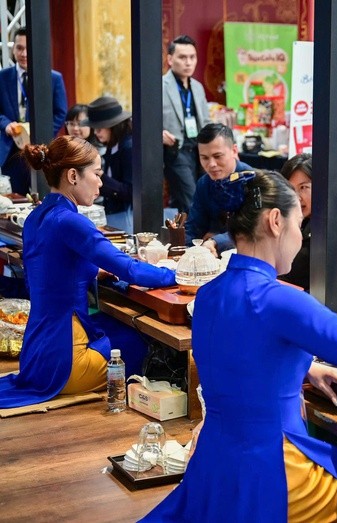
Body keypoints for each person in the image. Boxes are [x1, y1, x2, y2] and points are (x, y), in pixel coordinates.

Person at [142, 169, 337, 522]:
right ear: (274, 221)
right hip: (273, 466)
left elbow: (241, 355)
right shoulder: (279, 299)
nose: (301, 238)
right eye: (299, 225)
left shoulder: (209, 294)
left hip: (215, 462)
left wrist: (304, 366)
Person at [0, 136, 175, 408]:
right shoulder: (71, 221)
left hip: (35, 353)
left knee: (118, 328)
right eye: (97, 174)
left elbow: (53, 267)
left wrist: (94, 273)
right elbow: (130, 269)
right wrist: (176, 275)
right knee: (141, 342)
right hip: (66, 363)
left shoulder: (37, 216)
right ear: (72, 175)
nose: (101, 183)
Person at [0, 27, 68, 195]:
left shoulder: (53, 78)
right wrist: (6, 125)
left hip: (42, 150)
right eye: (19, 48)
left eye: (27, 48)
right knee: (15, 199)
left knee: (45, 196)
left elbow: (60, 112)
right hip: (11, 152)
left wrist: (39, 134)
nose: (23, 53)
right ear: (13, 49)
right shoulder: (2, 77)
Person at [185, 123, 253, 256]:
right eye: (204, 158)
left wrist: (215, 240)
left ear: (234, 150)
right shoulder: (204, 183)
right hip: (209, 257)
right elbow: (193, 226)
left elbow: (250, 229)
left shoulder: (252, 180)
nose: (211, 164)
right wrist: (186, 252)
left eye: (217, 156)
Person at [163, 35, 211, 214]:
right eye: (182, 57)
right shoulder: (160, 85)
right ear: (170, 59)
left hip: (200, 150)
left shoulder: (197, 87)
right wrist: (157, 133)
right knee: (190, 199)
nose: (188, 62)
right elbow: (142, 121)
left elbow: (205, 121)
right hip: (176, 150)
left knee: (204, 195)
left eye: (192, 57)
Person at [82, 96, 134, 232]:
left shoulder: (128, 147)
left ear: (114, 126)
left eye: (101, 128)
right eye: (95, 128)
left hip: (127, 217)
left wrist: (100, 176)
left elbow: (131, 191)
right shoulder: (113, 144)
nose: (96, 132)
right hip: (113, 214)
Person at [278, 153, 312, 291]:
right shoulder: (282, 220)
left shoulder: (329, 228)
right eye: (291, 190)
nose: (296, 197)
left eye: (303, 187)